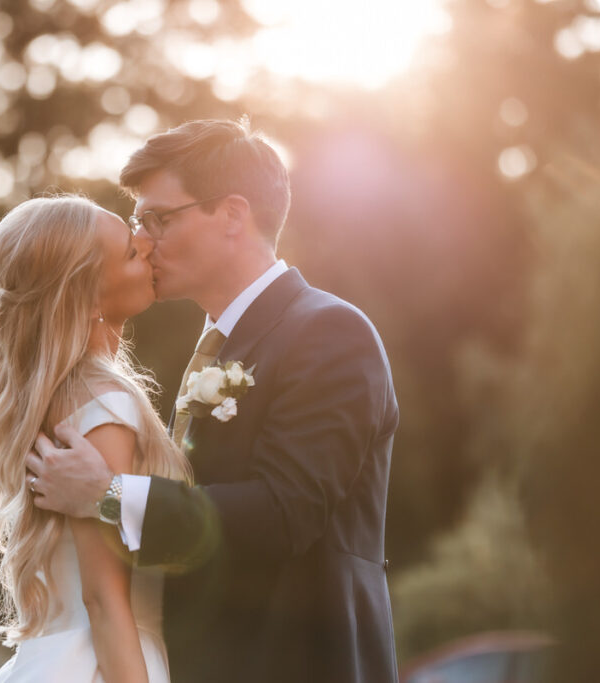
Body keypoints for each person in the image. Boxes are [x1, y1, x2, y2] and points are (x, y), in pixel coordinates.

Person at [25, 119, 400, 683]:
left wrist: (107, 496)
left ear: (231, 215)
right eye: (139, 222)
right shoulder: (218, 346)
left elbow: (284, 512)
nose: (145, 240)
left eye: (159, 218)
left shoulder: (329, 332)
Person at [0, 195, 188, 682]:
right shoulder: (102, 403)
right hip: (108, 664)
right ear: (87, 298)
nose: (147, 246)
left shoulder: (57, 394)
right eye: (131, 252)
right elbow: (104, 598)